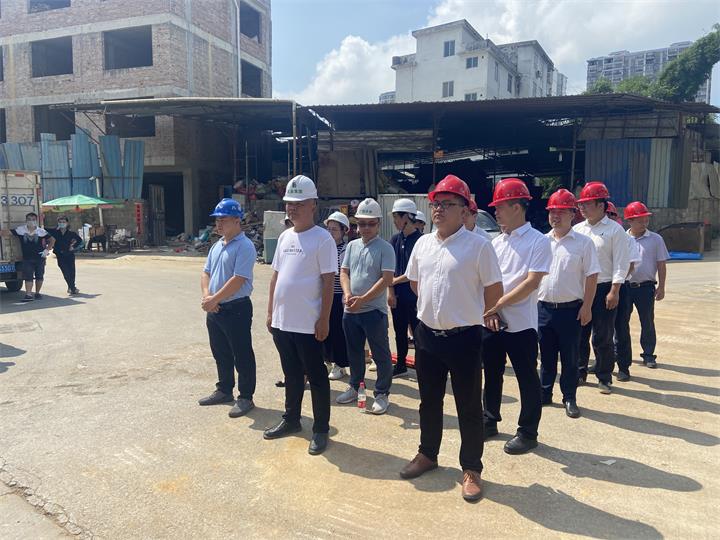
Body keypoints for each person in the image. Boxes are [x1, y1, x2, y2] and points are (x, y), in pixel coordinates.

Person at [400, 174, 503, 502]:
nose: (439, 209)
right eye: (436, 204)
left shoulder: (479, 246)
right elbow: (415, 283)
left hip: (464, 338)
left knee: (469, 406)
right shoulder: (423, 244)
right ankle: (427, 454)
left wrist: (468, 312)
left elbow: (494, 290)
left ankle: (471, 468)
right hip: (427, 336)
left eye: (447, 204)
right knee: (429, 401)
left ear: (465, 210)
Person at [264, 175, 337, 456]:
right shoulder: (285, 237)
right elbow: (275, 277)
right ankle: (292, 419)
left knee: (316, 376)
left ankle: (320, 428)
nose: (292, 208)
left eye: (298, 203)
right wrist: (271, 312)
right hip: (283, 321)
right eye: (289, 204)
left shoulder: (322, 239)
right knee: (291, 374)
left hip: (308, 323)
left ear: (313, 204)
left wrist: (324, 318)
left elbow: (328, 282)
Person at [482, 178, 552, 455]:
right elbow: (487, 280)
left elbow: (532, 282)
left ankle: (528, 431)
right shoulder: (496, 243)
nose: (496, 212)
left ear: (516, 207)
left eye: (499, 207)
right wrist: (492, 309)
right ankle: (489, 420)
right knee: (492, 373)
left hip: (521, 323)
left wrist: (497, 304)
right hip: (492, 320)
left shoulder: (538, 241)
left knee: (526, 376)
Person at [537, 189, 600, 419]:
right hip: (543, 308)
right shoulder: (541, 242)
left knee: (570, 357)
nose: (555, 216)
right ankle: (544, 393)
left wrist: (587, 307)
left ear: (573, 214)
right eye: (552, 211)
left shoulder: (584, 244)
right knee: (546, 356)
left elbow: (592, 276)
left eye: (561, 212)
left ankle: (569, 397)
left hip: (571, 310)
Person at [197, 199, 258, 419]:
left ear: (237, 220)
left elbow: (238, 279)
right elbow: (206, 273)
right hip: (215, 309)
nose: (219, 223)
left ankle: (246, 396)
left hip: (236, 308)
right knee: (220, 351)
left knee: (242, 353)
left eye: (223, 219)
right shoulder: (217, 245)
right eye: (217, 219)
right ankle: (224, 389)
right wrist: (208, 297)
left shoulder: (245, 246)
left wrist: (214, 299)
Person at [336, 198, 396, 415]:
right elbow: (344, 272)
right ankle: (355, 386)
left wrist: (363, 299)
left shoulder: (385, 248)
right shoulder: (352, 246)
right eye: (362, 223)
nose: (366, 228)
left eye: (371, 223)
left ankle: (382, 393)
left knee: (380, 354)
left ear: (378, 223)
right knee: (354, 352)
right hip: (351, 311)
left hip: (373, 312)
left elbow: (386, 279)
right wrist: (348, 294)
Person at [573, 182, 632, 394]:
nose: (582, 208)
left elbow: (621, 263)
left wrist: (614, 291)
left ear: (601, 205)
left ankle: (604, 376)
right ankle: (580, 371)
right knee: (580, 334)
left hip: (604, 289)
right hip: (581, 290)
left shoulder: (615, 230)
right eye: (581, 204)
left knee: (602, 336)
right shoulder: (577, 230)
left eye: (587, 204)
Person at [614, 201, 669, 376]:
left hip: (645, 287)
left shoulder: (656, 239)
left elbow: (661, 264)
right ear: (629, 220)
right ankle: (617, 352)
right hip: (624, 287)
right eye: (639, 220)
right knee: (620, 322)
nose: (644, 223)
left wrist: (662, 286)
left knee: (647, 321)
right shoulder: (621, 238)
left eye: (646, 220)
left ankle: (648, 354)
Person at [388, 198, 421, 378]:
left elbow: (413, 272)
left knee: (418, 333)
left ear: (407, 217)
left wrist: (393, 282)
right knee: (399, 332)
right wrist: (391, 292)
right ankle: (401, 364)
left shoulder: (421, 241)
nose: (394, 221)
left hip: (415, 297)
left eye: (396, 217)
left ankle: (422, 366)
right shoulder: (395, 239)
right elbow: (389, 269)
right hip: (398, 296)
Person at [324, 211, 351, 380]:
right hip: (324, 295)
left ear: (344, 231)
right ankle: (327, 361)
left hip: (339, 296)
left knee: (338, 331)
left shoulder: (346, 250)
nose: (330, 232)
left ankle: (340, 365)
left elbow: (346, 274)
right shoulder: (324, 247)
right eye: (329, 229)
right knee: (324, 329)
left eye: (334, 229)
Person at [6, 212, 54, 302]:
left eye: (33, 219)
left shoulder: (41, 231)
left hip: (40, 258)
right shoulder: (21, 230)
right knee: (28, 276)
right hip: (27, 259)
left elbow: (52, 240)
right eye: (29, 219)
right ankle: (28, 295)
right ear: (26, 220)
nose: (31, 221)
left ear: (36, 220)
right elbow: (7, 232)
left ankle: (37, 293)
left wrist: (47, 250)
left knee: (39, 276)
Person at [47, 216, 83, 295]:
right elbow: (44, 230)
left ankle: (71, 288)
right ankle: (73, 288)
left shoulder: (71, 233)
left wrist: (73, 246)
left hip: (69, 254)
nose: (62, 224)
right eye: (60, 222)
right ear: (58, 223)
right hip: (60, 255)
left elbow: (79, 240)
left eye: (63, 222)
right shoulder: (54, 232)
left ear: (67, 223)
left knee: (71, 272)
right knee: (65, 271)